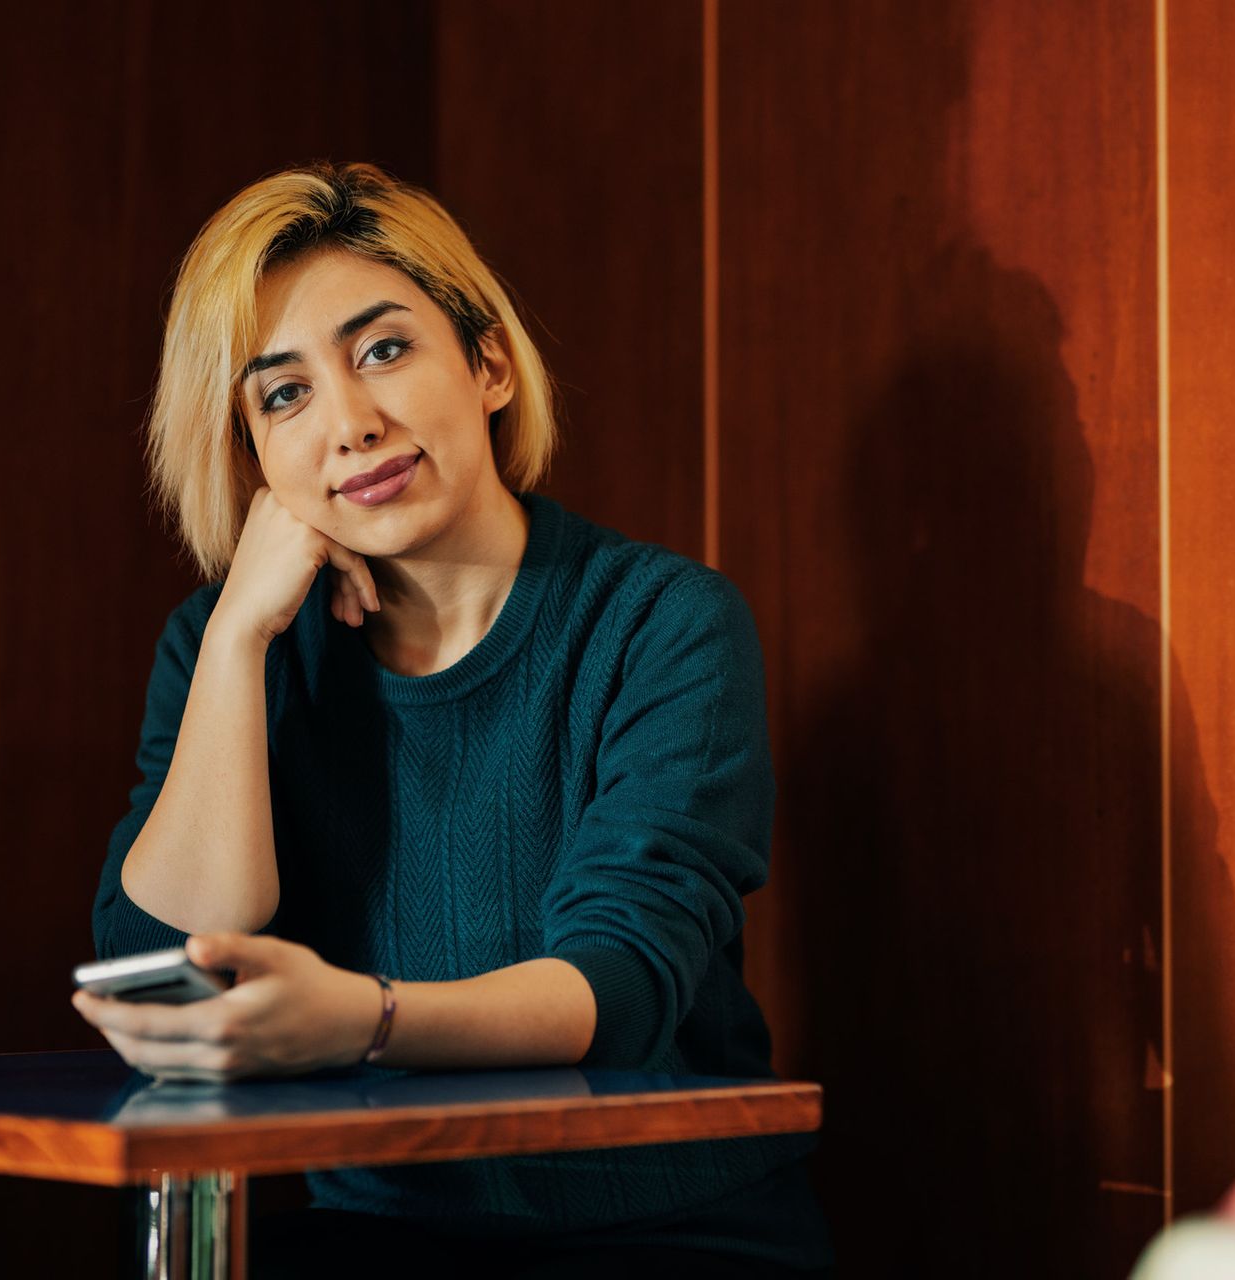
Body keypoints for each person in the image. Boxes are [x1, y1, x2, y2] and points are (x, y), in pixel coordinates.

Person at [71, 161, 831, 1276]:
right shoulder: (222, 644)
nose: (353, 423)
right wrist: (239, 644)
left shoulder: (664, 621)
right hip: (377, 1230)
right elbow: (165, 965)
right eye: (284, 394)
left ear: (486, 363)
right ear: (253, 455)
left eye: (383, 349)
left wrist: (365, 1017)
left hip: (668, 1230)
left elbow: (616, 981)